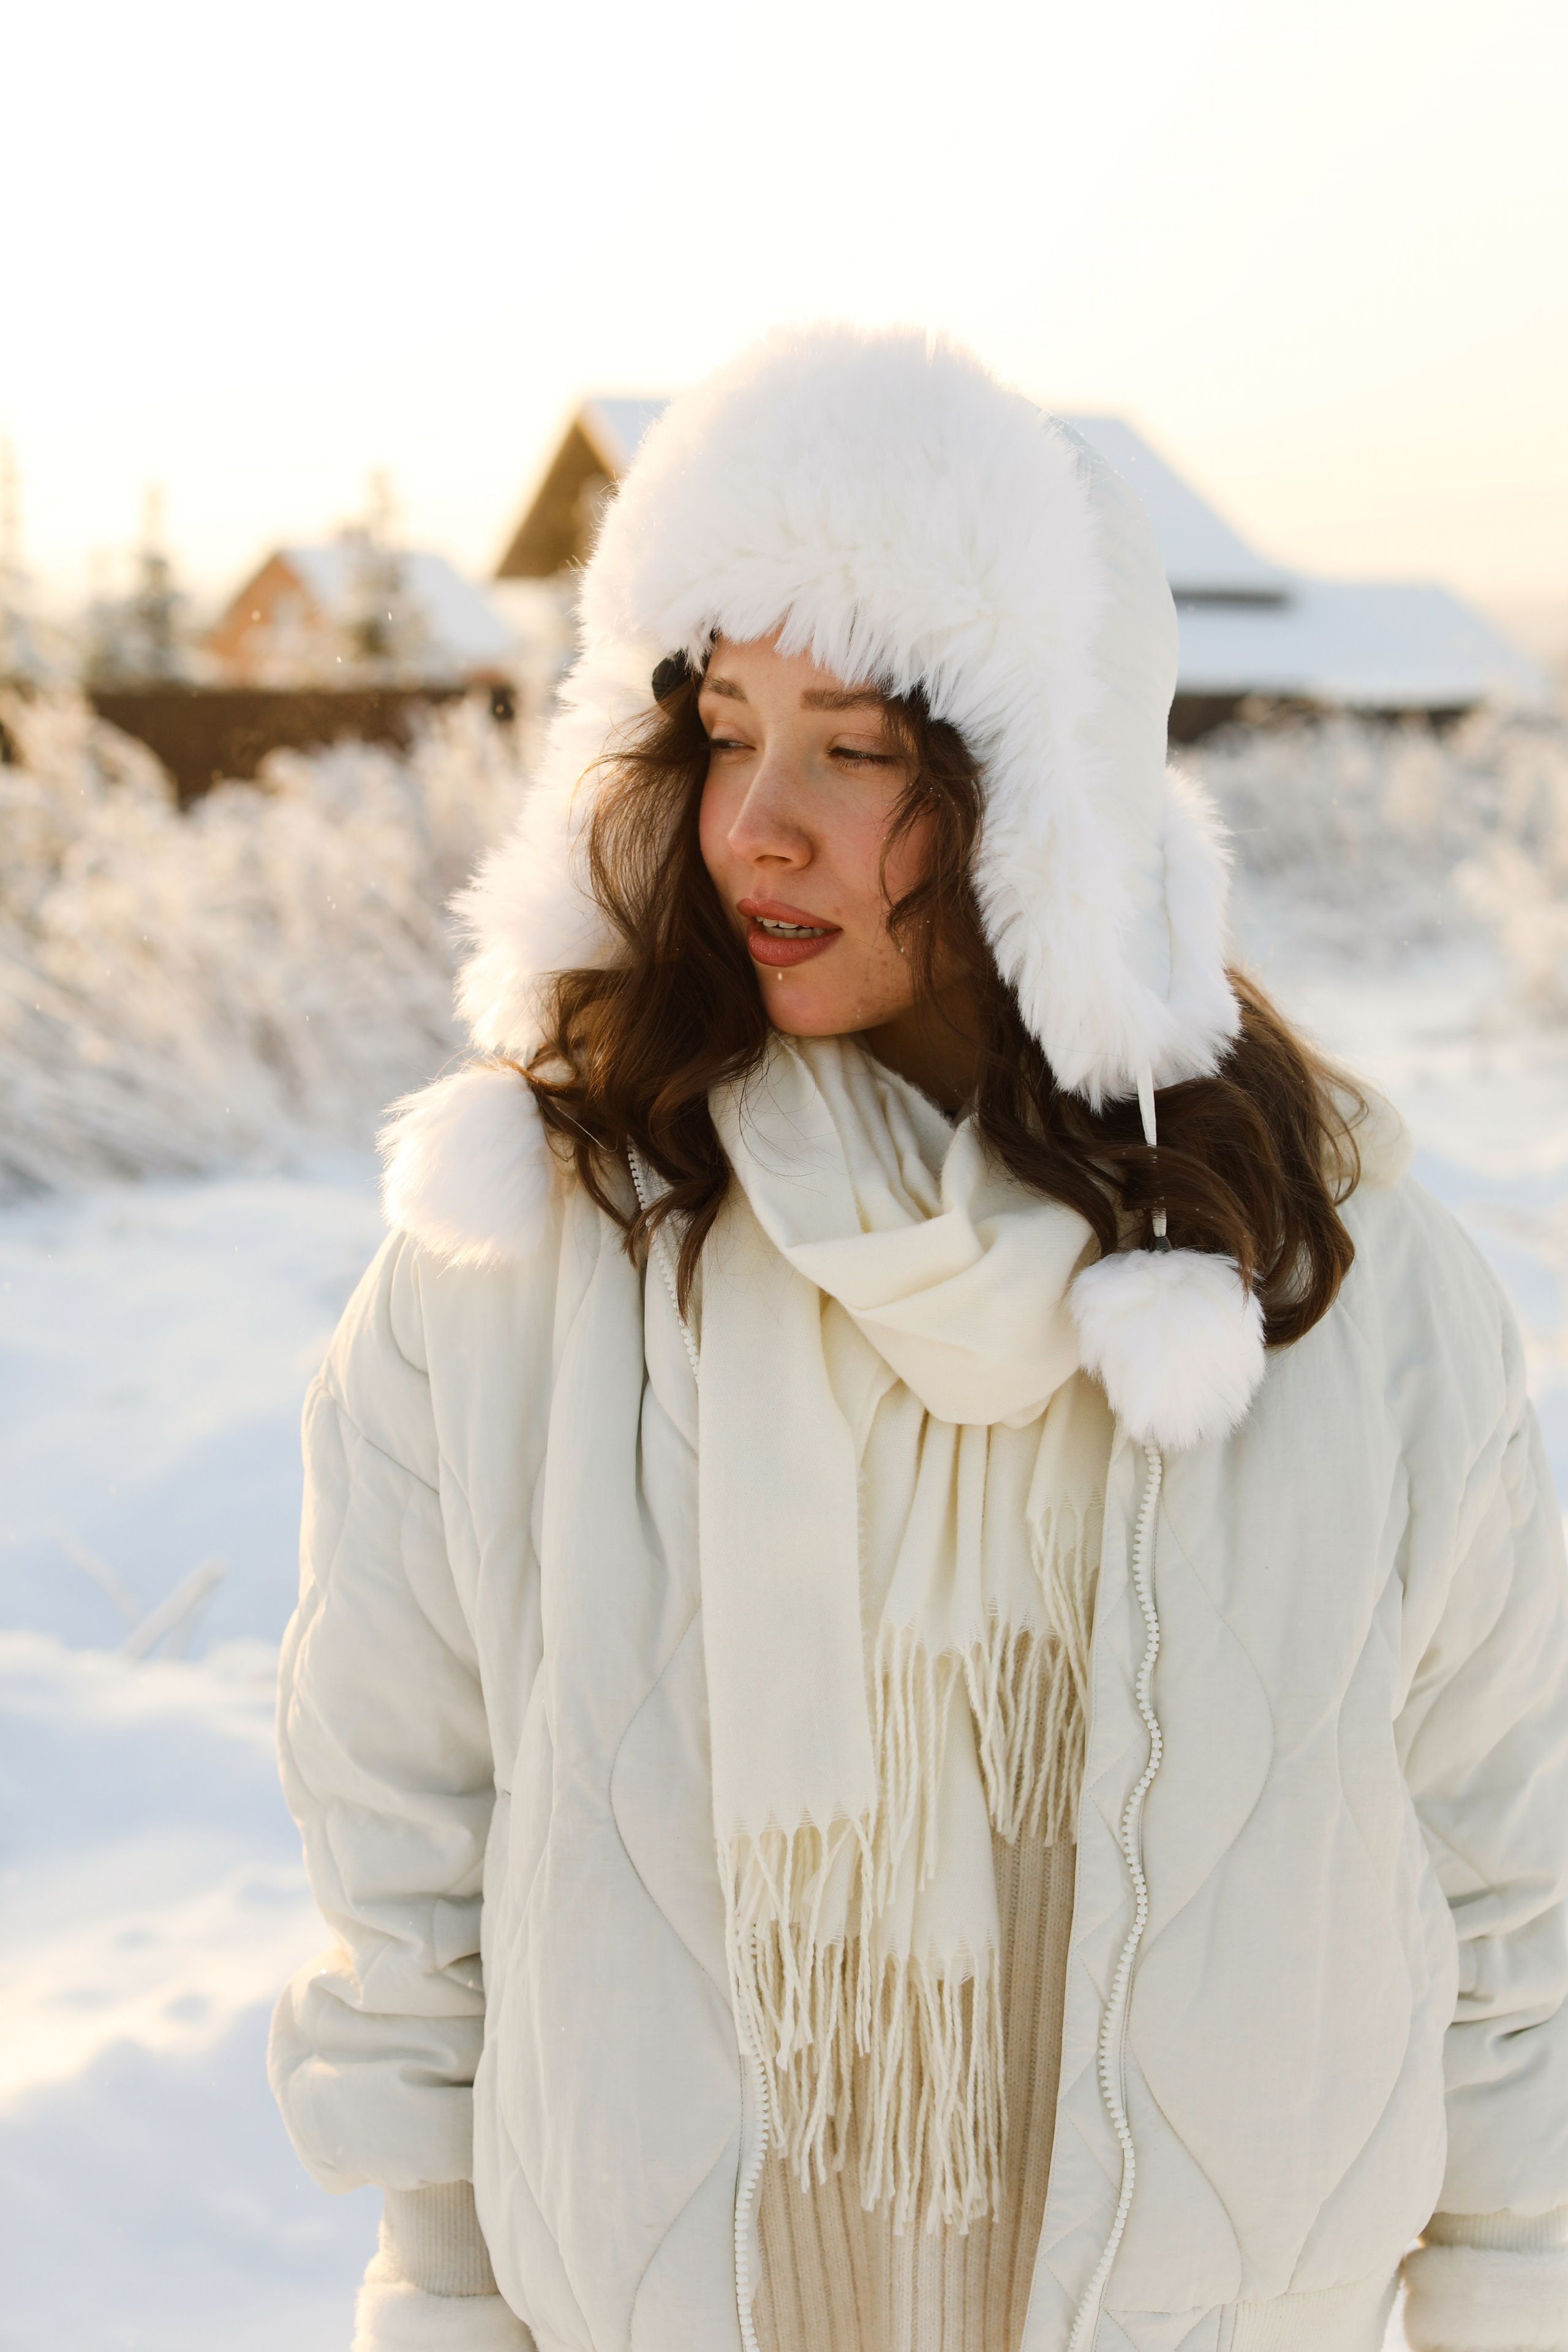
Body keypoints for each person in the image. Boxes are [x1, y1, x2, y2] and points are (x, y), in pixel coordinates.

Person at [269, 328, 1568, 2352]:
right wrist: (444, 2293)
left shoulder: (1341, 1286)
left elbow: (1512, 1894)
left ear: (1036, 790)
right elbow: (408, 1853)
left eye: (855, 749)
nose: (753, 826)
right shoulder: (524, 1259)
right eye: (720, 727)